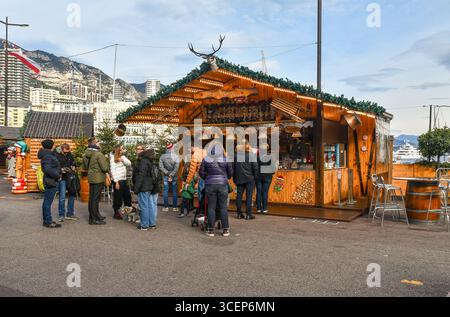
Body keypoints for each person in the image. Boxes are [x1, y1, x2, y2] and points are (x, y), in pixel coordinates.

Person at [199, 143, 233, 237]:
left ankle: (210, 230)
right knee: (223, 207)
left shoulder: (206, 159)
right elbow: (230, 173)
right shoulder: (226, 159)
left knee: (211, 207)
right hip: (222, 185)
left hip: (210, 185)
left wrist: (208, 178)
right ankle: (225, 230)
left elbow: (201, 173)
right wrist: (225, 178)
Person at [83, 137, 109, 225]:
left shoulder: (87, 153)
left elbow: (86, 166)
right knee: (95, 198)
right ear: (94, 143)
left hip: (91, 177)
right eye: (98, 142)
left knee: (92, 198)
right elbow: (105, 167)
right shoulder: (98, 154)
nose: (100, 143)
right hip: (98, 178)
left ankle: (94, 216)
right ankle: (94, 219)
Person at [134, 149, 161, 231]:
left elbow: (141, 175)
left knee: (144, 206)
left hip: (144, 187)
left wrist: (136, 188)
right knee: (150, 206)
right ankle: (151, 224)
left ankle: (144, 225)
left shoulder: (143, 162)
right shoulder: (150, 162)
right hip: (150, 186)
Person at [38, 139, 62, 228]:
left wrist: (60, 170)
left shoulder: (46, 155)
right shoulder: (48, 156)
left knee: (47, 201)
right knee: (47, 202)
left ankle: (47, 220)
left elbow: (50, 167)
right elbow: (47, 169)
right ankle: (48, 221)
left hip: (50, 179)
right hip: (50, 180)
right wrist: (57, 176)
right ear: (51, 146)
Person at [233, 143, 259, 220]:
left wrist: (234, 178)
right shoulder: (251, 155)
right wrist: (255, 177)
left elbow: (233, 167)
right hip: (250, 179)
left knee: (239, 196)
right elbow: (255, 167)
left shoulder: (236, 156)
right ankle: (248, 214)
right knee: (249, 196)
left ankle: (239, 213)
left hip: (239, 178)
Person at [54, 144, 78, 222]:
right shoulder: (56, 154)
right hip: (62, 178)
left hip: (70, 177)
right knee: (62, 197)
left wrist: (73, 166)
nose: (67, 153)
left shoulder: (69, 154)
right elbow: (55, 166)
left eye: (68, 151)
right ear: (62, 149)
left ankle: (70, 213)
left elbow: (73, 163)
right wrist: (61, 169)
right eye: (65, 151)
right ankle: (61, 215)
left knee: (72, 194)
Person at [110, 144, 132, 220]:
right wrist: (116, 182)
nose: (123, 150)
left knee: (127, 196)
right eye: (122, 148)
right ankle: (116, 212)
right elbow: (112, 171)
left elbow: (129, 163)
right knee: (117, 197)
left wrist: (122, 159)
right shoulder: (113, 158)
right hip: (118, 180)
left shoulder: (122, 157)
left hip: (124, 179)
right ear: (118, 149)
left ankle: (128, 211)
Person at [159, 143, 180, 212]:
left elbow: (161, 167)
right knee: (174, 191)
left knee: (165, 191)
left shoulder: (162, 156)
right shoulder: (176, 156)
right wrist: (172, 174)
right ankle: (174, 207)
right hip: (174, 176)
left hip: (166, 175)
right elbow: (177, 167)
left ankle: (165, 207)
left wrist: (168, 173)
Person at [256, 143, 275, 214]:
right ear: (267, 149)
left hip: (258, 176)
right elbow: (273, 168)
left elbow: (255, 167)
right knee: (265, 192)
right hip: (267, 176)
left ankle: (258, 208)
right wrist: (270, 173)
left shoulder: (257, 157)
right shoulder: (270, 157)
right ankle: (264, 209)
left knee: (259, 192)